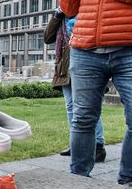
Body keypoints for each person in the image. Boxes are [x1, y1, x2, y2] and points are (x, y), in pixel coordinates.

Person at [59, 0, 132, 185]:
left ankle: (127, 180)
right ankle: (78, 178)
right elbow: (68, 7)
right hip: (87, 49)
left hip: (128, 49)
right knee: (83, 119)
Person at [44, 10, 106, 161]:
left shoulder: (86, 10)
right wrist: (57, 16)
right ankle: (77, 145)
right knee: (71, 106)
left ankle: (98, 146)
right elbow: (48, 38)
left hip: (85, 64)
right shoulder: (60, 17)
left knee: (87, 107)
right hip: (65, 68)